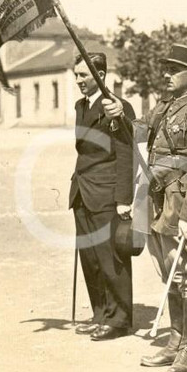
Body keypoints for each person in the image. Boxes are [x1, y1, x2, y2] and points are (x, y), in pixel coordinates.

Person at [101, 44, 187, 372]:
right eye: (165, 69)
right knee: (169, 275)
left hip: (183, 206)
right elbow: (138, 129)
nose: (165, 75)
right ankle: (174, 341)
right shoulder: (165, 106)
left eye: (173, 70)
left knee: (186, 275)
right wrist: (118, 114)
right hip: (159, 201)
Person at [69, 53, 135, 341]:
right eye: (76, 75)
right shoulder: (81, 105)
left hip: (106, 192)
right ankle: (100, 313)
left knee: (111, 257)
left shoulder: (118, 108)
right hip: (82, 190)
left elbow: (125, 152)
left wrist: (123, 197)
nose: (79, 81)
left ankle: (119, 318)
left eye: (84, 75)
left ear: (101, 75)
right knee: (91, 258)